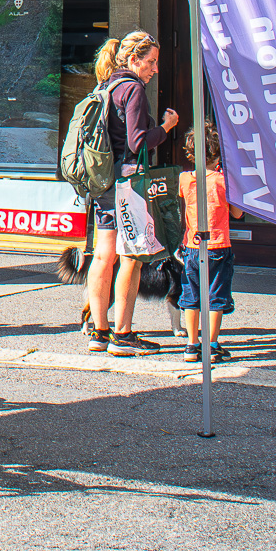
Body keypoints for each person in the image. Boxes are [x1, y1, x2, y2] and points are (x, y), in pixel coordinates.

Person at [85, 29, 180, 357]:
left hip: (103, 182)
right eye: (151, 62)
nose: (155, 69)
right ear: (134, 59)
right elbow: (138, 142)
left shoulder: (106, 85)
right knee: (132, 258)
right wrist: (165, 129)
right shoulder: (133, 90)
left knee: (102, 255)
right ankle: (123, 335)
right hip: (127, 183)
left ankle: (99, 332)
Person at [178, 118, 237, 363]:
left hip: (192, 245)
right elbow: (236, 213)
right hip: (219, 245)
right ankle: (211, 345)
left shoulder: (184, 178)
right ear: (217, 154)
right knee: (216, 295)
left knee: (191, 294)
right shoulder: (224, 182)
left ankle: (192, 345)